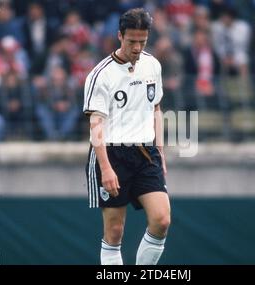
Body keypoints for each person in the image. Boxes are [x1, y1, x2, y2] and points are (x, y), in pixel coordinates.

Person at [83, 8, 170, 265]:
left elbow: (156, 109)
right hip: (112, 152)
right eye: (132, 41)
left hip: (145, 151)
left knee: (162, 220)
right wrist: (106, 168)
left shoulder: (152, 65)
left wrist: (161, 153)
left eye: (142, 41)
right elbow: (96, 123)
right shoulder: (101, 74)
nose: (137, 47)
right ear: (120, 36)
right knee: (115, 231)